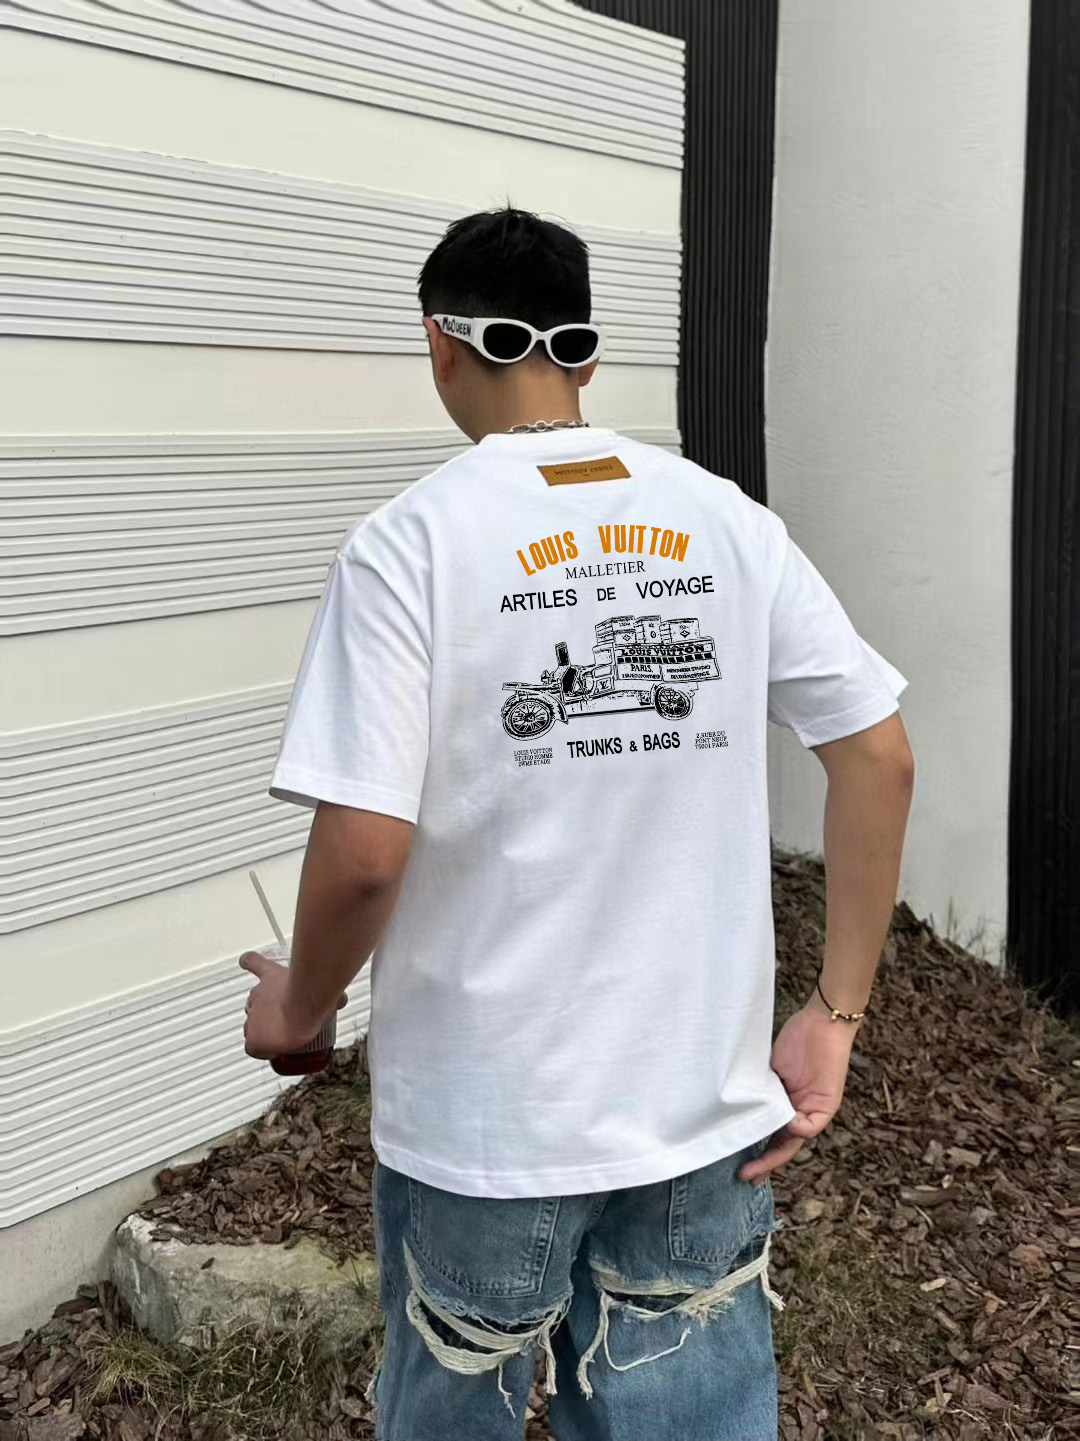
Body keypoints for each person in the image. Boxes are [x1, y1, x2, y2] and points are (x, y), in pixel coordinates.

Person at [241, 208, 914, 1441]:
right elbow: (877, 753)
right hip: (698, 1115)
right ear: (587, 355)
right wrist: (835, 1011)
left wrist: (300, 1005)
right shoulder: (727, 521)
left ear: (440, 345)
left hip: (486, 1132)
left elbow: (366, 856)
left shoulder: (410, 544)